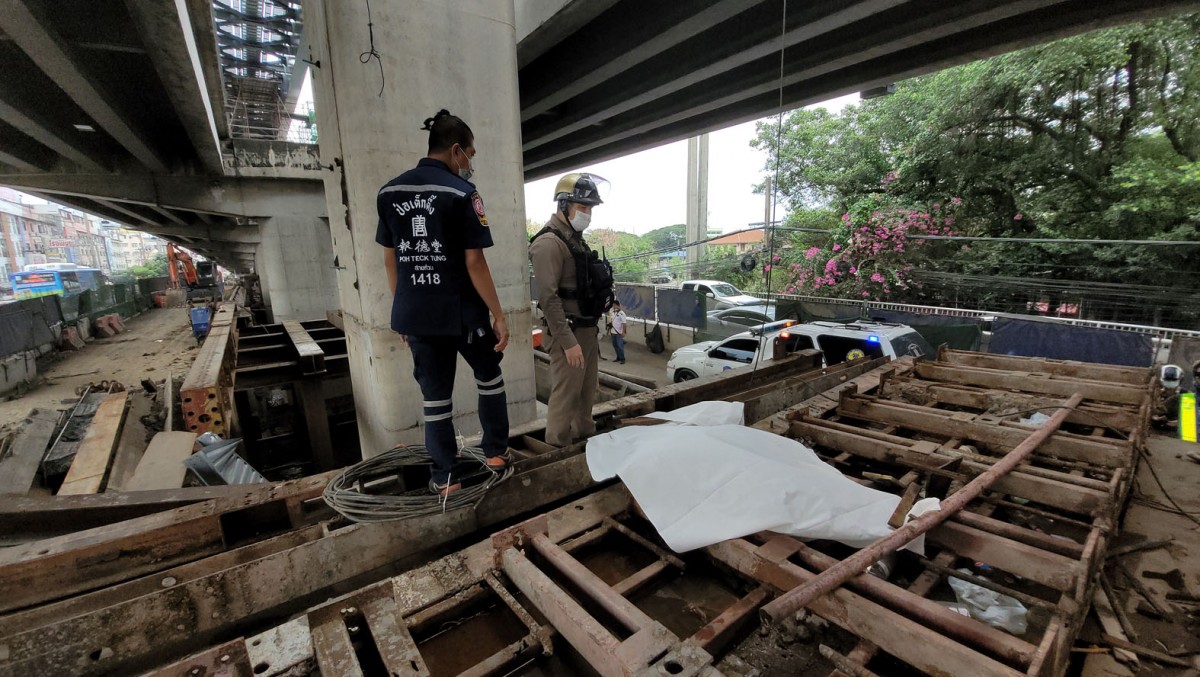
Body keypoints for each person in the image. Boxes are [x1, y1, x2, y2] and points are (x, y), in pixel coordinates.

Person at [376, 109, 510, 496]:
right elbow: (474, 261)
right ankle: (496, 453)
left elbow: (391, 257)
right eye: (470, 153)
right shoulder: (462, 194)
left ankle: (445, 478)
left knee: (435, 399)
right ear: (456, 151)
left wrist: (403, 313)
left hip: (417, 315)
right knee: (489, 377)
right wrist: (498, 315)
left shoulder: (389, 193)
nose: (470, 163)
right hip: (465, 313)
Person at [530, 172, 614, 447]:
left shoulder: (575, 240)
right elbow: (549, 298)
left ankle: (585, 442)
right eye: (582, 207)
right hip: (569, 333)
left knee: (586, 395)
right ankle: (556, 451)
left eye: (590, 208)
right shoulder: (548, 244)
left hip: (587, 330)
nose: (587, 213)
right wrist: (568, 342)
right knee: (566, 398)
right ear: (564, 205)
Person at [610, 299, 627, 364]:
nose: (614, 307)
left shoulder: (622, 314)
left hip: (618, 332)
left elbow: (624, 324)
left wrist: (623, 332)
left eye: (615, 305)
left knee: (620, 345)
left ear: (618, 305)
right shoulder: (613, 312)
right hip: (613, 331)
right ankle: (618, 357)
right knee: (615, 345)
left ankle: (622, 358)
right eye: (613, 305)